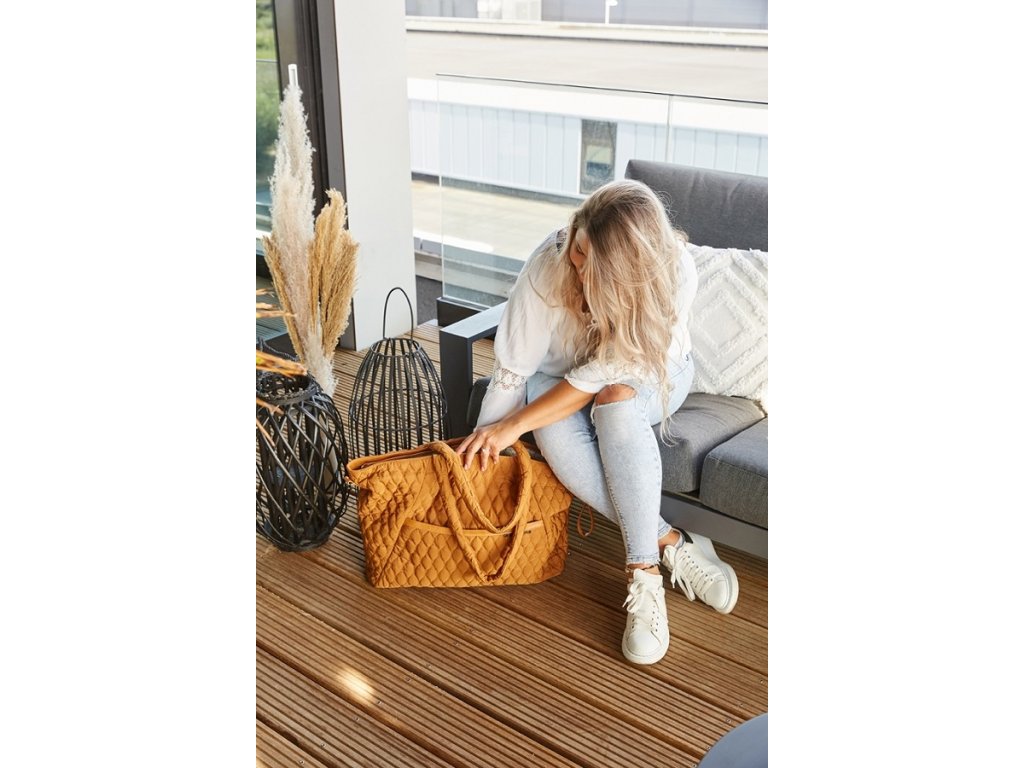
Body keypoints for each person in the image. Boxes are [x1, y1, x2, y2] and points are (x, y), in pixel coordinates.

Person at [455, 179, 739, 665]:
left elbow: (604, 378)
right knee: (547, 424)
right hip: (560, 377)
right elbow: (512, 373)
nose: (577, 263)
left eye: (592, 262)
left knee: (616, 401)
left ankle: (642, 573)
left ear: (627, 274)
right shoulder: (548, 270)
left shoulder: (676, 272)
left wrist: (514, 426)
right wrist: (486, 446)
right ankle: (669, 541)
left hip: (654, 372)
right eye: (578, 246)